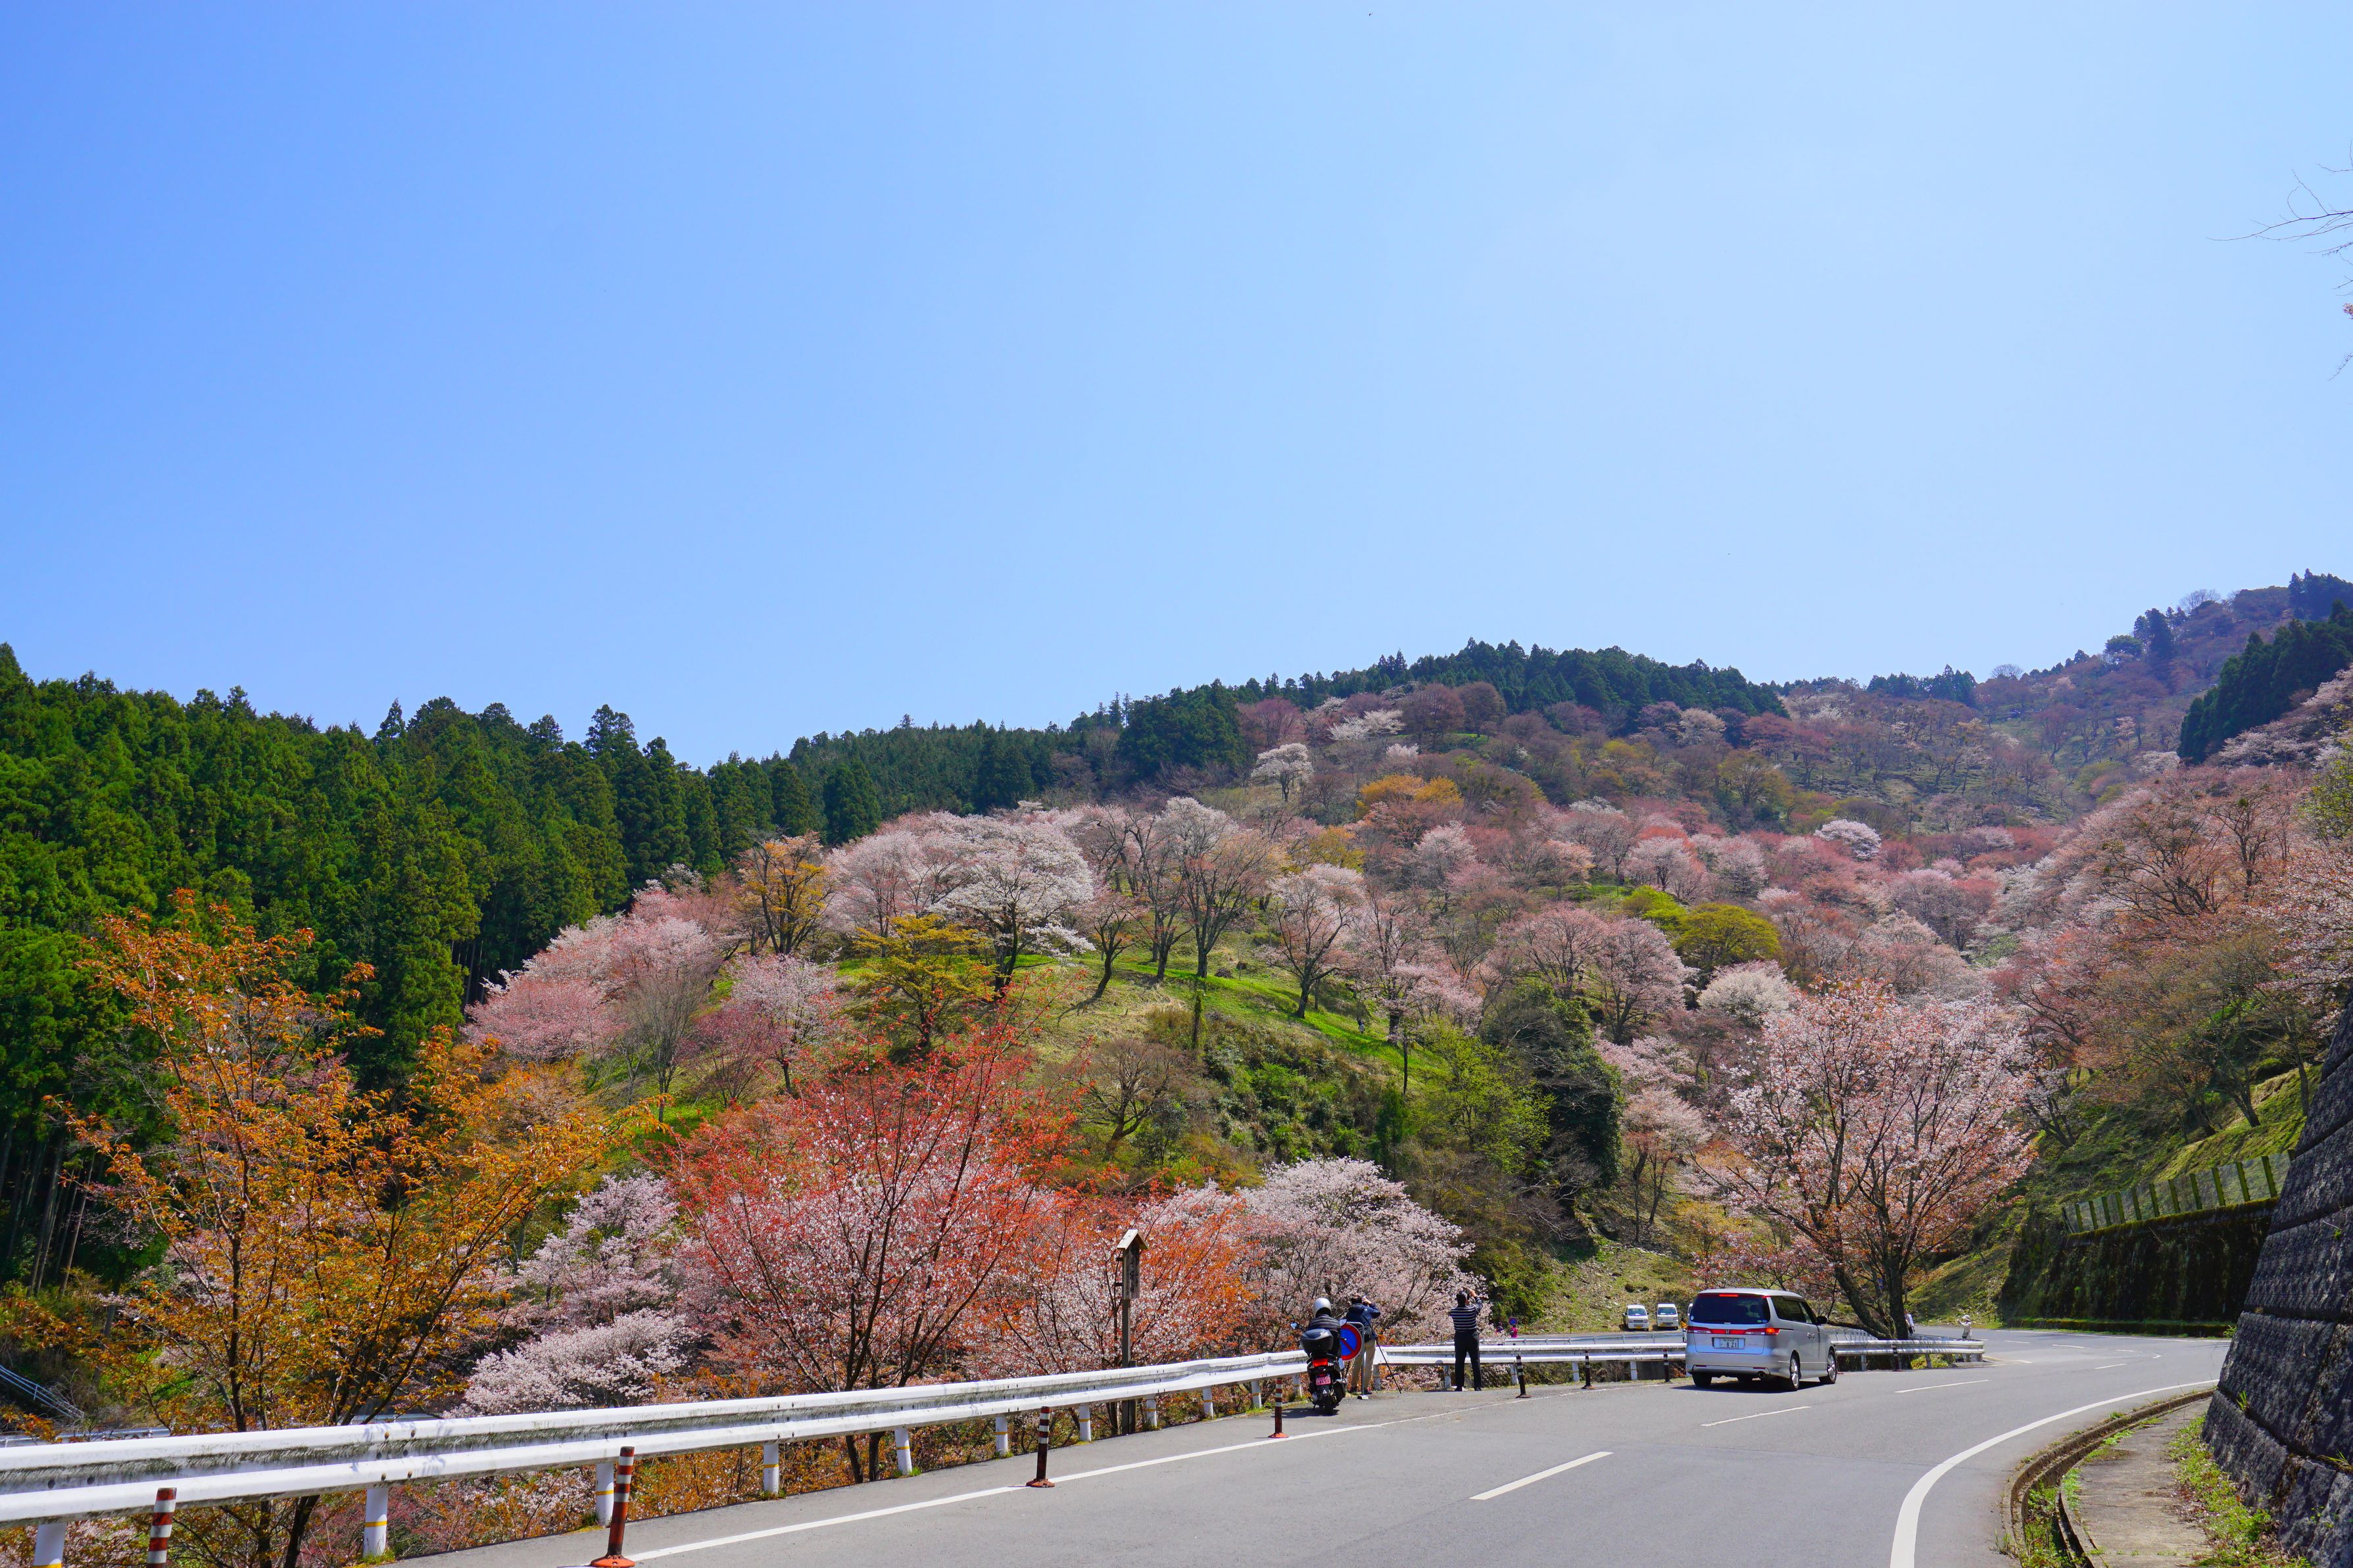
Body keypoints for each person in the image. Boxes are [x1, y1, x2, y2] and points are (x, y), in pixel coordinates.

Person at [1344, 1294, 1382, 1398]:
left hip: (1358, 1340)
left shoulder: (1349, 1313)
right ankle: (1365, 1388)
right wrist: (1369, 1303)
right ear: (1362, 1301)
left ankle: (1354, 1386)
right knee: (1369, 1364)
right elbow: (1377, 1313)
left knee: (1357, 1363)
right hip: (1370, 1338)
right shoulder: (1367, 1310)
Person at [1448, 1288, 1486, 1391]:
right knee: (1475, 1361)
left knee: (1459, 1361)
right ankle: (1477, 1386)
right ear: (1466, 1300)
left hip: (1460, 1337)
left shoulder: (1453, 1312)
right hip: (1472, 1336)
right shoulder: (1472, 1309)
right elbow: (1480, 1304)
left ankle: (1459, 1386)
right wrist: (1475, 1295)